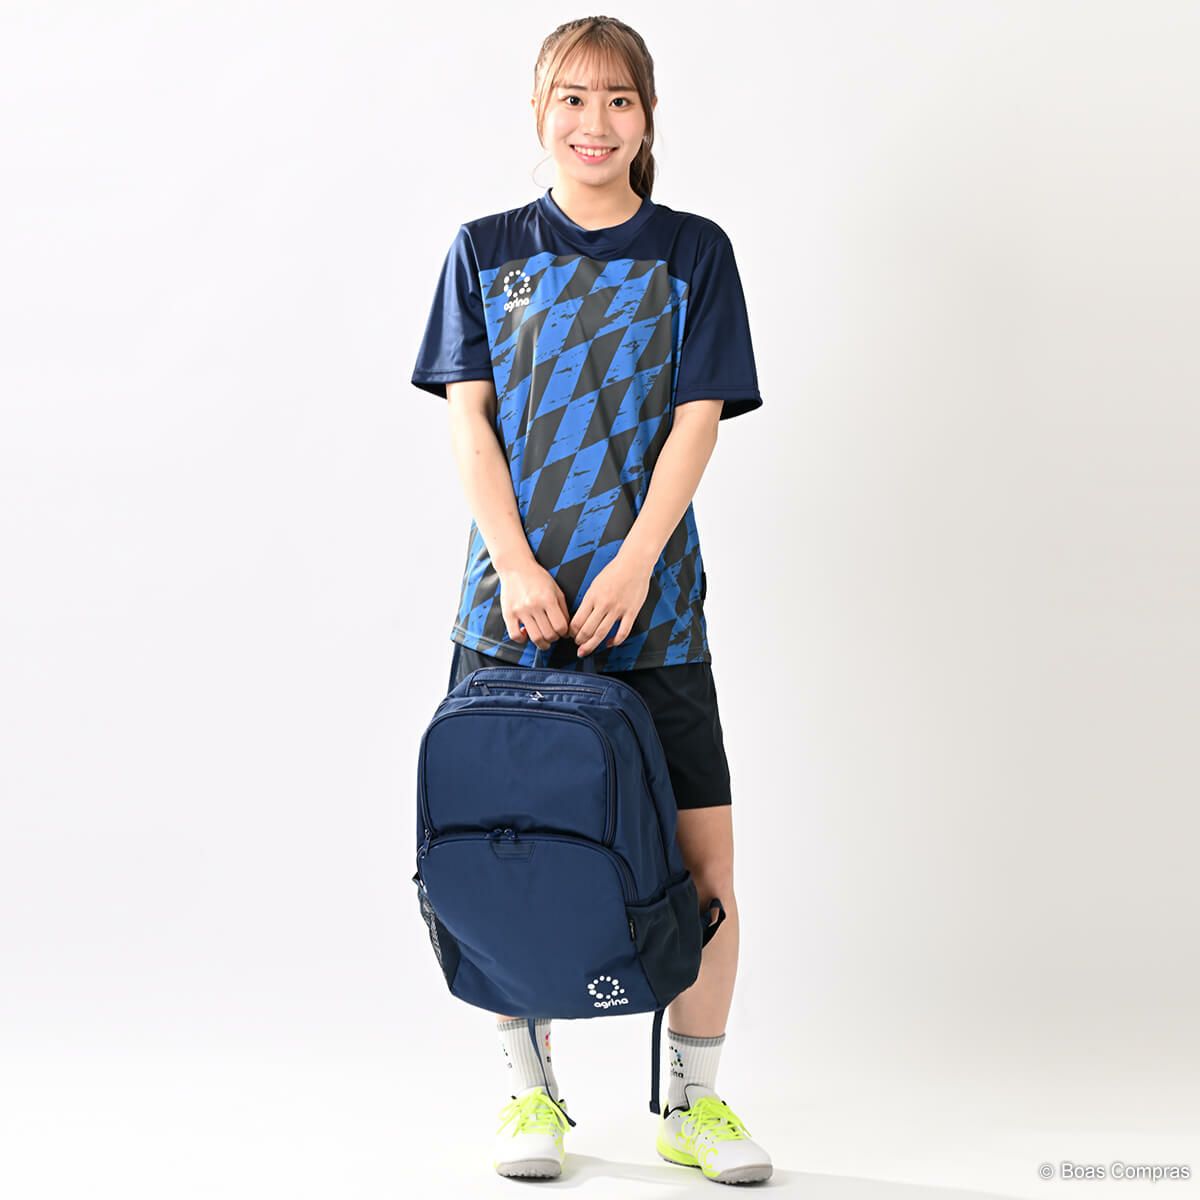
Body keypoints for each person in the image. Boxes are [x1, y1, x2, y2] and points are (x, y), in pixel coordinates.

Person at [411, 15, 771, 1187]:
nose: (595, 123)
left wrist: (634, 561)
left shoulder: (693, 254)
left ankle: (693, 1105)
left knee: (705, 874)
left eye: (620, 100)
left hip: (653, 618)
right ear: (538, 113)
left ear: (648, 117)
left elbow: (697, 423)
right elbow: (469, 423)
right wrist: (518, 565)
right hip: (507, 620)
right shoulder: (484, 252)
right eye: (572, 98)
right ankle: (531, 1095)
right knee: (505, 860)